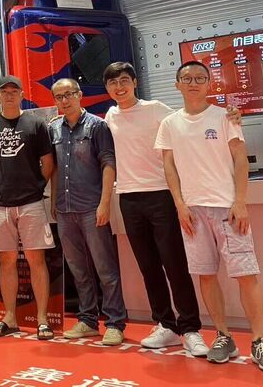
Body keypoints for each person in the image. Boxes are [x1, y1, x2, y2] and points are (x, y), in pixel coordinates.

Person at [155, 61, 263, 373]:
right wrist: (179, 204)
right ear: (177, 85)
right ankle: (223, 336)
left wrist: (240, 201)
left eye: (200, 78)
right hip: (192, 212)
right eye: (187, 78)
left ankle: (259, 341)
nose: (193, 83)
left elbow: (240, 159)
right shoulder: (169, 123)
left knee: (246, 275)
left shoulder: (224, 117)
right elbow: (169, 166)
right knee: (206, 274)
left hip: (227, 208)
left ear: (209, 83)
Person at [103, 61, 213, 355]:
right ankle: (166, 325)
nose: (119, 87)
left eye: (124, 80)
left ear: (135, 82)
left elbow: (187, 123)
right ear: (107, 88)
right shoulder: (110, 115)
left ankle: (190, 328)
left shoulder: (155, 109)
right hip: (128, 198)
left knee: (174, 264)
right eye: (113, 83)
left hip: (161, 194)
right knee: (148, 267)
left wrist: (226, 114)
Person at [0, 75, 55, 339]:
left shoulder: (36, 123)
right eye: (4, 91)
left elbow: (48, 161)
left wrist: (36, 186)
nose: (9, 95)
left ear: (22, 94)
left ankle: (42, 320)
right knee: (6, 261)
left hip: (31, 202)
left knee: (36, 260)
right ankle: (9, 318)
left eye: (14, 91)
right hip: (0, 204)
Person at [49, 78, 126, 346]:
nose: (65, 100)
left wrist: (105, 203)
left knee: (105, 268)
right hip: (64, 209)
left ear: (79, 94)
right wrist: (54, 201)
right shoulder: (53, 128)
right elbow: (54, 168)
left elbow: (108, 164)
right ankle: (88, 320)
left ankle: (115, 322)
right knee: (78, 269)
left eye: (69, 94)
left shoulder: (97, 126)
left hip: (92, 207)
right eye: (59, 97)